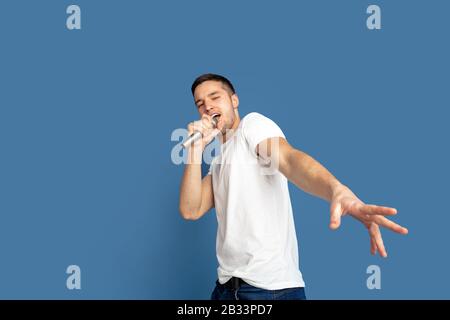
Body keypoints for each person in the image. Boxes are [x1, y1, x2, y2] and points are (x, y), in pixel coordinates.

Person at [178, 73, 408, 300]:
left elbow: (289, 159)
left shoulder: (252, 126)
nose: (207, 106)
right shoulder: (218, 161)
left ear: (234, 101)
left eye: (214, 97)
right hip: (226, 288)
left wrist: (335, 188)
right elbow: (191, 209)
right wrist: (195, 150)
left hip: (269, 290)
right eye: (200, 103)